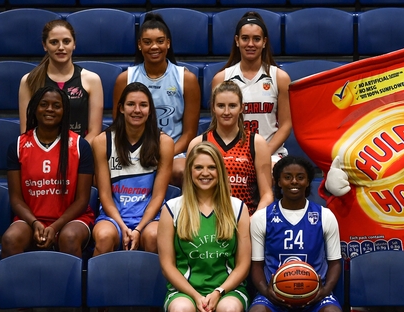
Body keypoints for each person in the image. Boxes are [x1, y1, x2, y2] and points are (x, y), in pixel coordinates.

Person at [247, 156, 342, 312]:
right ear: (278, 181)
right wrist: (267, 292)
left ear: (307, 182)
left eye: (300, 177)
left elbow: (335, 263)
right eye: (287, 177)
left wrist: (323, 292)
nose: (294, 182)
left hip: (315, 296)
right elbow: (256, 265)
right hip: (274, 296)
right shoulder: (261, 218)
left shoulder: (325, 215)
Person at [158, 142, 251, 312]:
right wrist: (196, 296)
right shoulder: (172, 208)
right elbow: (168, 266)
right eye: (198, 167)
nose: (205, 173)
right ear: (190, 171)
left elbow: (243, 264)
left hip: (227, 290)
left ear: (220, 171)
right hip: (185, 291)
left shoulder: (237, 208)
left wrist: (218, 292)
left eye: (211, 167)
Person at [3, 86, 94, 259]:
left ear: (64, 110)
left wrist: (56, 226)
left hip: (71, 219)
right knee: (10, 239)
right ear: (35, 108)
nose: (50, 109)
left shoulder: (80, 145)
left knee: (69, 237)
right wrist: (35, 222)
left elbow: (82, 200)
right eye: (44, 104)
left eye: (56, 105)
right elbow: (16, 199)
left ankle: (71, 287)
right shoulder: (17, 146)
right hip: (32, 219)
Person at [113, 13, 201, 186]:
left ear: (168, 43)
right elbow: (118, 125)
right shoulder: (125, 79)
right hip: (133, 150)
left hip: (175, 152)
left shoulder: (186, 79)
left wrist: (166, 155)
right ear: (139, 45)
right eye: (147, 42)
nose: (154, 46)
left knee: (181, 171)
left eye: (160, 41)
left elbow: (190, 133)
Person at [92, 82, 174, 256]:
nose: (137, 110)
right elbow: (105, 195)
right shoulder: (102, 141)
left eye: (143, 105)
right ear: (121, 108)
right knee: (104, 236)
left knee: (153, 236)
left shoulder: (164, 143)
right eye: (131, 104)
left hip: (150, 217)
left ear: (150, 110)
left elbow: (158, 195)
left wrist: (138, 229)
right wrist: (123, 227)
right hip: (113, 216)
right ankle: (99, 283)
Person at [211, 12, 291, 162]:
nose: (250, 44)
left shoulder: (279, 78)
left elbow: (286, 125)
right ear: (237, 40)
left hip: (271, 153)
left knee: (271, 174)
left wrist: (264, 152)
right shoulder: (221, 78)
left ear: (264, 42)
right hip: (232, 152)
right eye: (245, 38)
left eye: (256, 39)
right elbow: (218, 124)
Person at [188, 80, 273, 215]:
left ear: (241, 108)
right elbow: (189, 192)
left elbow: (267, 195)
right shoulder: (198, 143)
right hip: (207, 219)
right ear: (213, 108)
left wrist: (253, 221)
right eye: (221, 106)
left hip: (246, 217)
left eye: (232, 106)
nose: (226, 112)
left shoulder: (256, 142)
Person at [18, 20, 103, 143]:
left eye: (66, 41)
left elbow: (94, 132)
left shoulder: (92, 80)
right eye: (54, 42)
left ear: (74, 44)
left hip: (79, 154)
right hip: (41, 153)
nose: (61, 47)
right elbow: (26, 132)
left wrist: (75, 154)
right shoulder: (29, 80)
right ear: (45, 45)